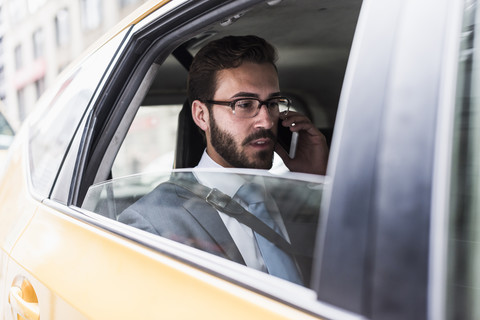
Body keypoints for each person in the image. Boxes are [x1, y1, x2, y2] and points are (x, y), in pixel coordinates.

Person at [118, 35, 328, 285]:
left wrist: (316, 182)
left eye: (272, 103)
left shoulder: (295, 195)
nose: (266, 121)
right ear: (201, 115)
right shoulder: (153, 222)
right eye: (244, 104)